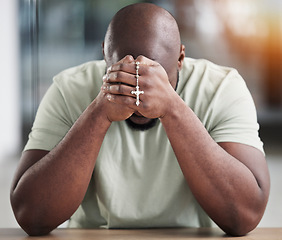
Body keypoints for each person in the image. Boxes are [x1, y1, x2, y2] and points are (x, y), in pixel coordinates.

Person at [10, 3, 270, 237]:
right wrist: (99, 112)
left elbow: (244, 216)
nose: (139, 101)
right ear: (104, 55)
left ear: (180, 58)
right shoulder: (69, 88)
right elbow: (31, 216)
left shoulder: (222, 88)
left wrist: (172, 108)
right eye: (122, 78)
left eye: (157, 79)